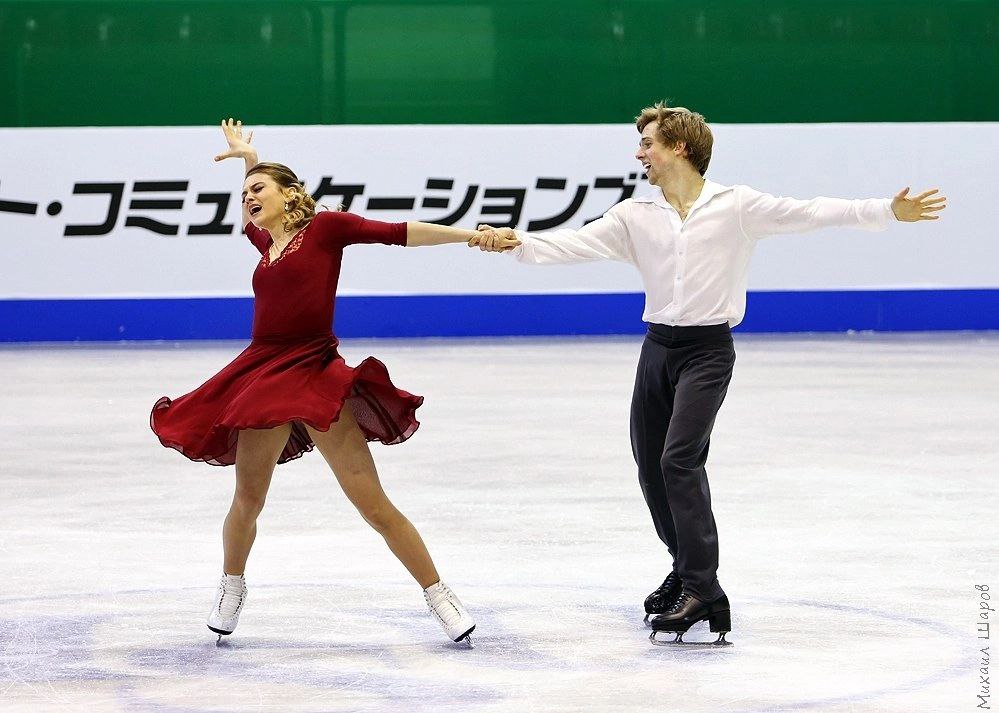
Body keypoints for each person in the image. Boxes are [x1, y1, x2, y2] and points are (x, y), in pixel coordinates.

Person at [471, 102, 945, 646]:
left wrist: (887, 210)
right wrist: (517, 241)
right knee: (651, 467)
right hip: (657, 349)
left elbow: (811, 212)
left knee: (679, 459)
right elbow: (571, 244)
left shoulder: (736, 206)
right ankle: (688, 570)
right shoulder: (634, 216)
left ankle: (702, 588)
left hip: (707, 352)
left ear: (679, 147)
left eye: (648, 143)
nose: (639, 153)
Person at [151, 119, 519, 646]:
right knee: (248, 499)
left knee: (372, 503)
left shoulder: (325, 229)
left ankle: (439, 595)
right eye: (245, 192)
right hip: (263, 374)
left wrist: (472, 236)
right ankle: (232, 585)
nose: (248, 198)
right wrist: (250, 160)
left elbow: (399, 232)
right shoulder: (264, 242)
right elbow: (256, 207)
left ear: (289, 194)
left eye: (258, 189)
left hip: (315, 370)